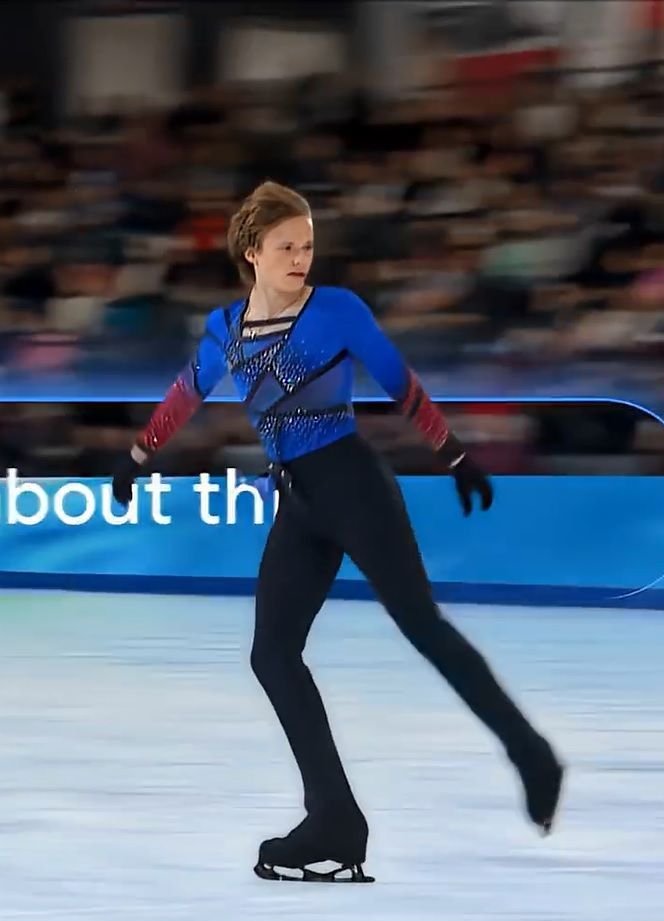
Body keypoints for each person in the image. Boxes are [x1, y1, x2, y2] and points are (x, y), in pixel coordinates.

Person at [111, 181, 563, 883]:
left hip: (352, 483)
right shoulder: (224, 328)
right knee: (272, 654)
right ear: (252, 251)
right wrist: (139, 455)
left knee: (420, 624)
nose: (301, 258)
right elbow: (187, 391)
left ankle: (530, 751)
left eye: (307, 246)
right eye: (287, 247)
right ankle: (334, 818)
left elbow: (399, 382)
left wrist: (454, 455)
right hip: (297, 501)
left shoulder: (336, 310)